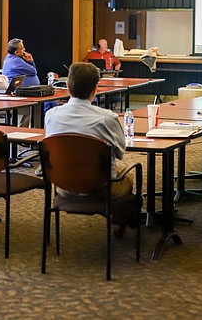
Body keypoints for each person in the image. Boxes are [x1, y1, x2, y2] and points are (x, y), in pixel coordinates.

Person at [44, 62, 136, 235]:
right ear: (95, 88)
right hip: (99, 187)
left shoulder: (51, 115)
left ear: (68, 87)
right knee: (128, 176)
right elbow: (120, 151)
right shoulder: (107, 118)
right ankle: (122, 219)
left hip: (64, 185)